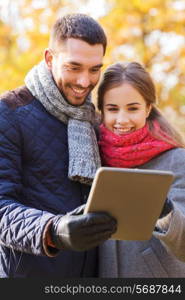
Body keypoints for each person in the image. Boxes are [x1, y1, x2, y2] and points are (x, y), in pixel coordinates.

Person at [0, 13, 117, 278]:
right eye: (74, 67)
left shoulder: (95, 120)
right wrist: (53, 230)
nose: (84, 82)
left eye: (94, 69)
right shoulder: (8, 113)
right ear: (50, 59)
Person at [97, 61, 185, 277]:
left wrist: (166, 211)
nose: (122, 119)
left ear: (147, 109)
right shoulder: (89, 158)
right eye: (112, 109)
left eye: (133, 108)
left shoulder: (176, 160)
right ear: (101, 111)